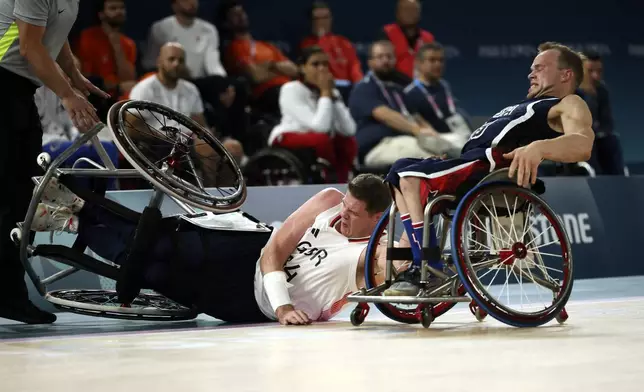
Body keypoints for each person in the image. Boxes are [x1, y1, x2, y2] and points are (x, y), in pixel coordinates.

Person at [29, 174, 394, 325]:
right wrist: (284, 305)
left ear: (378, 217)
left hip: (247, 303)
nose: (343, 215)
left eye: (353, 213)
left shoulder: (370, 254)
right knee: (162, 238)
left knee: (149, 270)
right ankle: (75, 200)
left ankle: (69, 219)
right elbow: (273, 252)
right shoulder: (330, 200)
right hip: (250, 250)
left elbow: (398, 265)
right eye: (345, 206)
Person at [382, 42, 594, 296]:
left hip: (487, 172)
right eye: (531, 68)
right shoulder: (528, 105)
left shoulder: (568, 102)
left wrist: (539, 148)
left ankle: (425, 265)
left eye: (539, 68)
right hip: (468, 164)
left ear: (565, 74)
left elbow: (583, 143)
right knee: (399, 172)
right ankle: (416, 260)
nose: (531, 73)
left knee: (409, 177)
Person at [0, 0, 109, 324]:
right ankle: (9, 296)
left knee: (21, 199)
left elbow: (55, 40)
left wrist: (74, 77)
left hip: (18, 92)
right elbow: (31, 47)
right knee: (6, 197)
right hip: (2, 86)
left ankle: (9, 296)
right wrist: (66, 94)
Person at [129, 42, 246, 185]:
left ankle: (226, 196)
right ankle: (210, 195)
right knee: (206, 147)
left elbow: (200, 125)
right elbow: (131, 128)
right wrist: (161, 136)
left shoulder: (190, 89)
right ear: (159, 61)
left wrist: (208, 136)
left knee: (234, 148)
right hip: (159, 144)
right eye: (171, 59)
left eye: (181, 60)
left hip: (187, 142)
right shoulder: (144, 88)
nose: (176, 64)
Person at [269, 46, 357, 183]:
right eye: (315, 64)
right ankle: (328, 179)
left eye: (325, 64)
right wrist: (326, 94)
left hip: (319, 138)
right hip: (288, 135)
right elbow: (319, 127)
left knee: (346, 141)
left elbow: (349, 129)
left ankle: (344, 181)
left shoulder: (331, 91)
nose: (322, 69)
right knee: (321, 139)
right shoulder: (291, 89)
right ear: (303, 68)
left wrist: (333, 96)